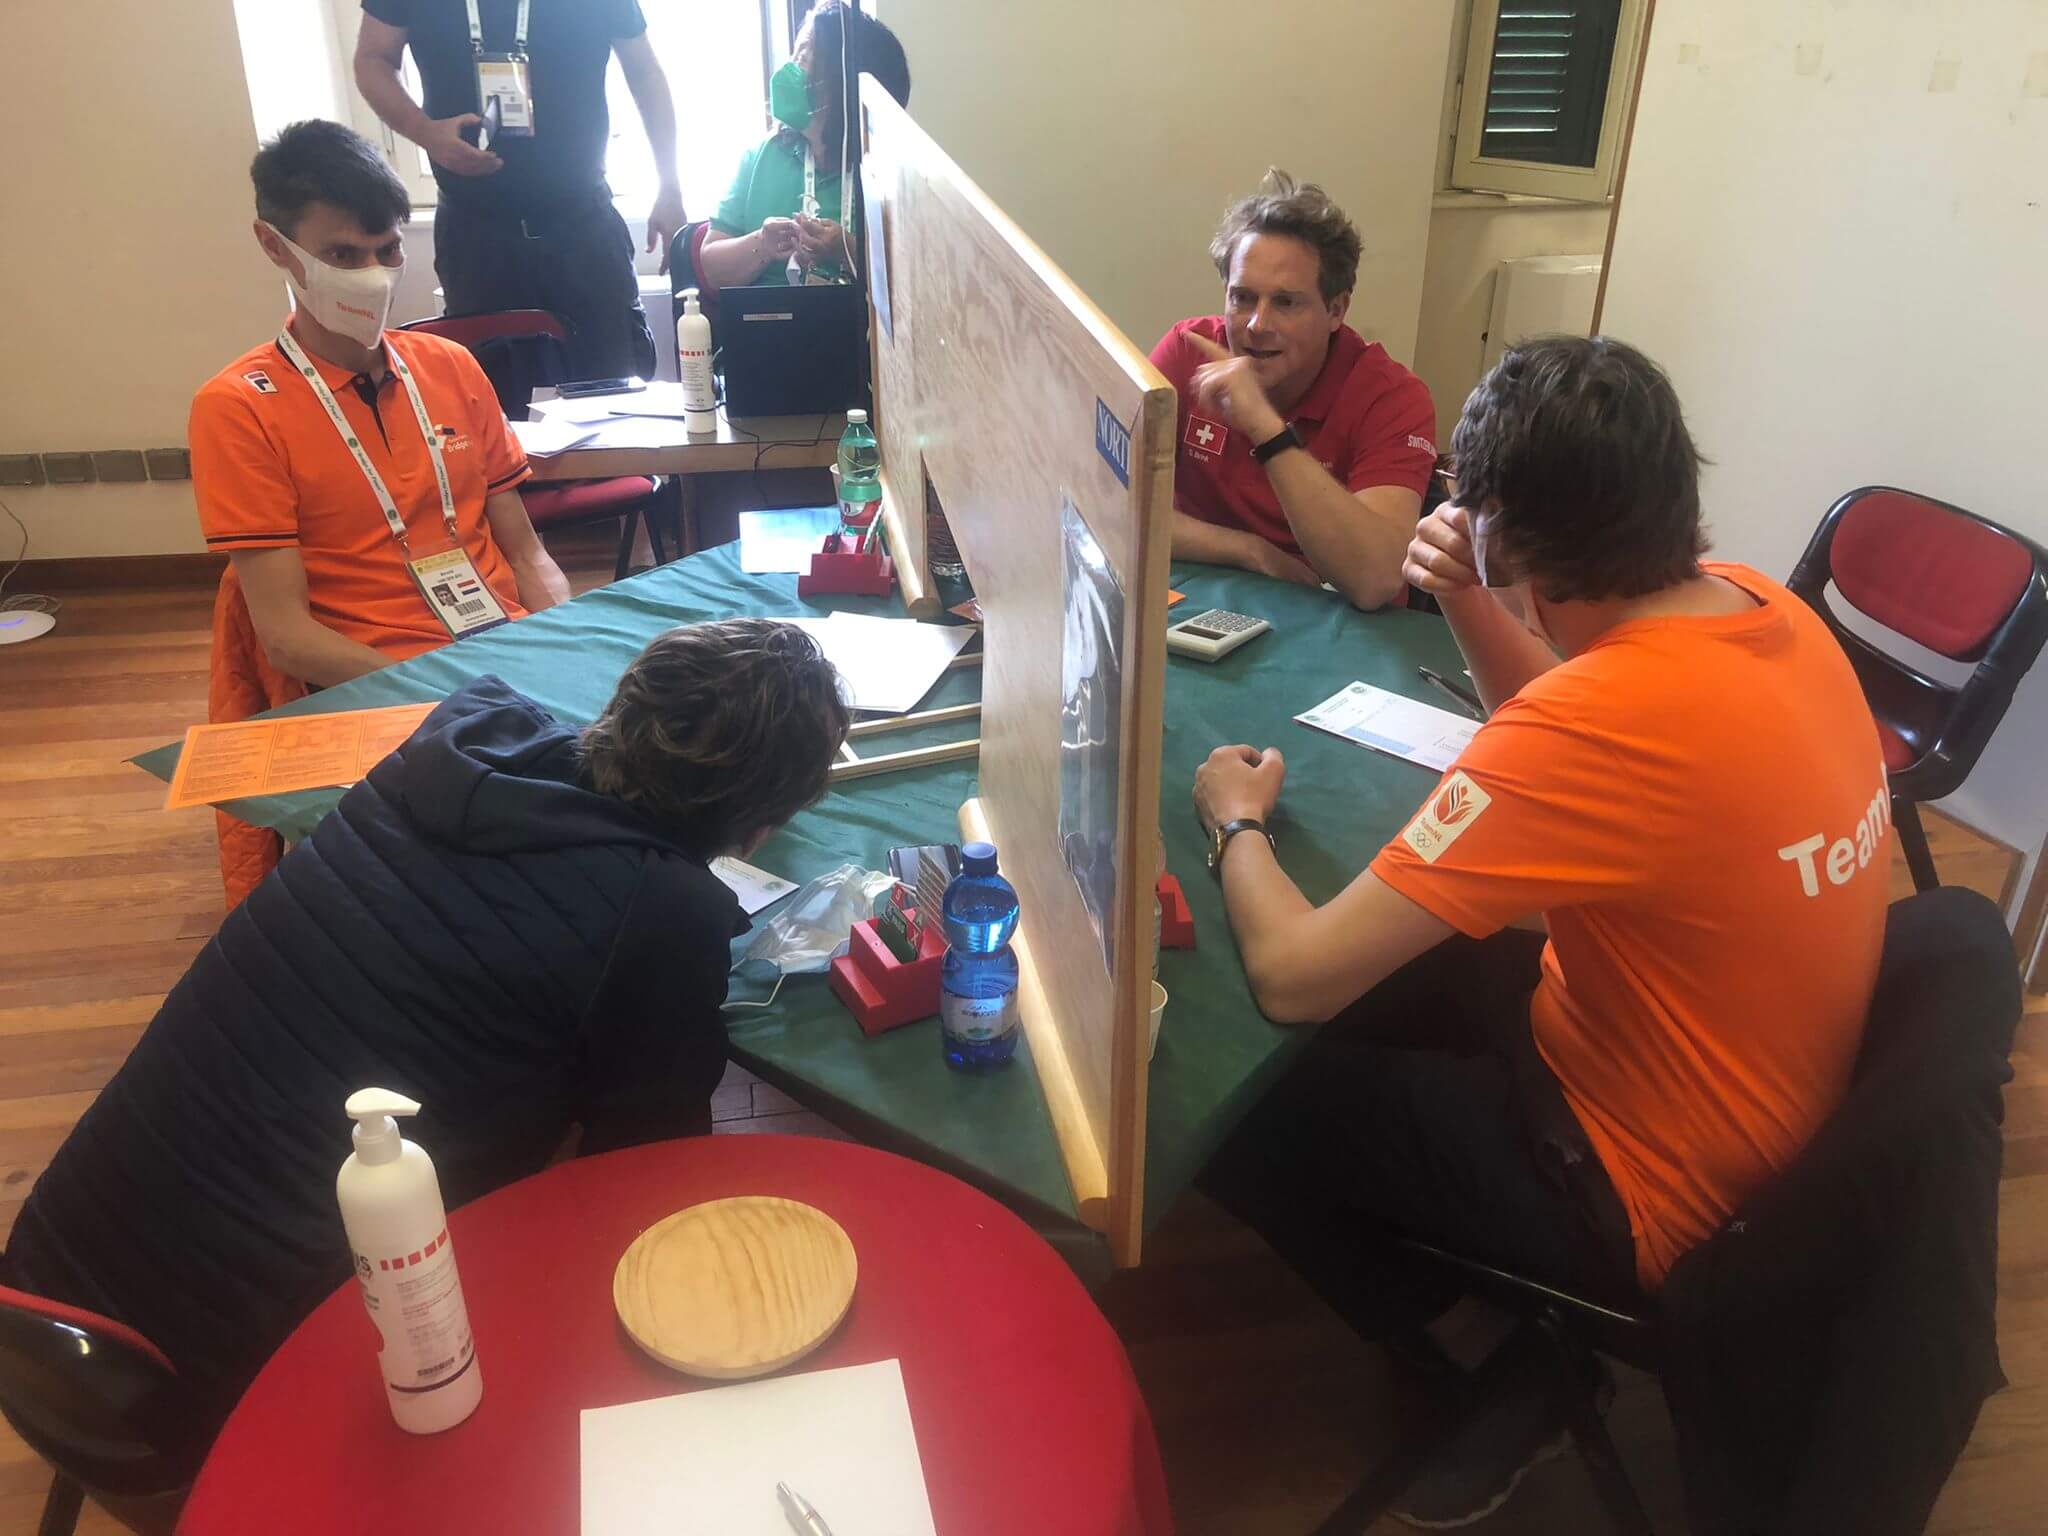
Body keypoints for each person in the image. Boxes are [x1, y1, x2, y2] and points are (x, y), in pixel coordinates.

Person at [1192, 336, 1890, 1525]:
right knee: (1400, 982)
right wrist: (1468, 595)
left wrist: (1233, 823)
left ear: (1502, 532)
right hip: (1741, 1106)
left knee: (1237, 1102)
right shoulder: (1759, 605)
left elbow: (1294, 975)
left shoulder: (1598, 723)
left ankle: (1480, 1359)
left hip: (1642, 1190)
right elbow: (1571, 727)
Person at [0, 619, 849, 1439]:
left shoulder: (463, 736)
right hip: (204, 1391)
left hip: (46, 1284)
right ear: (762, 822)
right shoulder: (663, 911)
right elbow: (645, 1182)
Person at [191, 120, 568, 691]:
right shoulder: (238, 408)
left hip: (500, 652)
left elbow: (527, 555)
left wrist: (564, 647)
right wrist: (446, 695)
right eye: (342, 254)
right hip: (374, 683)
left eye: (388, 249)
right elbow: (287, 637)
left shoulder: (451, 365)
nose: (372, 277)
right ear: (274, 245)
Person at [1151, 172, 1438, 609]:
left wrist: (1265, 427)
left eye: (1286, 303)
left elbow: (1376, 579)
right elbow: (1108, 504)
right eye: (1242, 298)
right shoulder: (1187, 350)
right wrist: (1250, 550)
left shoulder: (1393, 397)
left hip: (1335, 617)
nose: (1257, 325)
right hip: (1211, 597)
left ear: (1336, 310)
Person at [355, 0, 683, 379]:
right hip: (476, 232)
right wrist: (425, 133)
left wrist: (670, 187)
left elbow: (644, 72)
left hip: (584, 225)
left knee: (614, 385)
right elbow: (373, 59)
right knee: (489, 392)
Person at [697, 1, 911, 290]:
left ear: (841, 80)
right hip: (767, 317)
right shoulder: (762, 156)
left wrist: (847, 250)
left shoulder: (892, 173)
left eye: (804, 55)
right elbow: (711, 269)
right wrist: (762, 244)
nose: (789, 69)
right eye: (795, 53)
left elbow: (917, 281)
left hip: (854, 319)